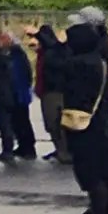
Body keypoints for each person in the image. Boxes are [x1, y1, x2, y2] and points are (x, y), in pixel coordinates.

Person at [55, 8, 108, 214]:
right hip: (104, 120)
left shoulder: (77, 63)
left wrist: (51, 41)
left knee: (91, 173)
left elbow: (58, 72)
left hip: (85, 124)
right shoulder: (103, 59)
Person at [0, 31, 36, 162]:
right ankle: (23, 146)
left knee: (22, 121)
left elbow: (19, 74)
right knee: (18, 121)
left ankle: (28, 148)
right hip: (16, 92)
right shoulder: (12, 54)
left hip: (18, 93)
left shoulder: (14, 54)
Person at [35, 22, 70, 161]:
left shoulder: (53, 52)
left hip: (52, 91)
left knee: (55, 123)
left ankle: (63, 151)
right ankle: (61, 150)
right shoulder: (51, 52)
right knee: (55, 124)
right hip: (50, 91)